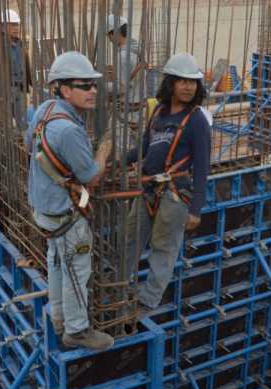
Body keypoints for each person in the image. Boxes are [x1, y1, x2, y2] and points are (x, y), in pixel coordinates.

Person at [27, 51, 114, 351]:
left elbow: (29, 144)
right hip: (65, 215)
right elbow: (90, 177)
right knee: (77, 267)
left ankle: (59, 318)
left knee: (55, 260)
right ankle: (77, 331)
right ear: (65, 89)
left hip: (43, 209)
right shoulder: (69, 130)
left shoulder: (44, 110)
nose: (93, 91)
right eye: (85, 85)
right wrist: (102, 152)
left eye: (94, 85)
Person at [124, 53, 212, 314]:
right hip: (149, 188)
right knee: (131, 236)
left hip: (175, 193)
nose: (188, 87)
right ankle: (118, 286)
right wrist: (120, 160)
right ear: (171, 83)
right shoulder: (159, 112)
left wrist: (196, 210)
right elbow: (144, 145)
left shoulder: (197, 121)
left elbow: (203, 167)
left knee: (164, 247)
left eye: (192, 82)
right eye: (182, 81)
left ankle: (147, 300)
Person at [0, 9, 33, 132]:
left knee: (22, 123)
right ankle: (9, 145)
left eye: (17, 24)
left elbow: (26, 67)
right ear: (2, 27)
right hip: (6, 91)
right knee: (6, 125)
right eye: (12, 25)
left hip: (20, 89)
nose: (16, 28)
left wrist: (30, 84)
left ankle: (24, 146)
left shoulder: (21, 45)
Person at [105, 15, 147, 127]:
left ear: (115, 33)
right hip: (139, 112)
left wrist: (100, 86)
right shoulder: (137, 51)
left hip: (127, 116)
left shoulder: (123, 56)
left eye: (109, 35)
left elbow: (120, 88)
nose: (109, 40)